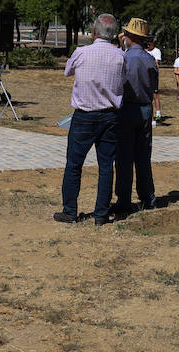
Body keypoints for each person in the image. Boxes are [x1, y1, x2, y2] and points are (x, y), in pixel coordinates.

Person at [55, 13, 126, 225]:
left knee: (74, 164)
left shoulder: (81, 52)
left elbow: (67, 71)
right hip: (110, 115)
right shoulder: (120, 56)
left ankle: (70, 211)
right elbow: (123, 80)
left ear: (94, 31)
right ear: (113, 34)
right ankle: (101, 214)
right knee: (106, 166)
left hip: (84, 116)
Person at [113, 18, 157, 215]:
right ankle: (147, 197)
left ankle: (124, 200)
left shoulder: (124, 58)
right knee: (143, 155)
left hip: (127, 108)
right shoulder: (150, 59)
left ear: (130, 36)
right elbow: (154, 86)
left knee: (124, 157)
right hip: (145, 107)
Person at [146, 37, 164, 122]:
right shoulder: (145, 51)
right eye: (147, 43)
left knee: (155, 94)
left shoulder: (156, 51)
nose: (148, 45)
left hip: (153, 75)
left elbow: (157, 64)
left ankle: (158, 113)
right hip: (145, 75)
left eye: (150, 43)